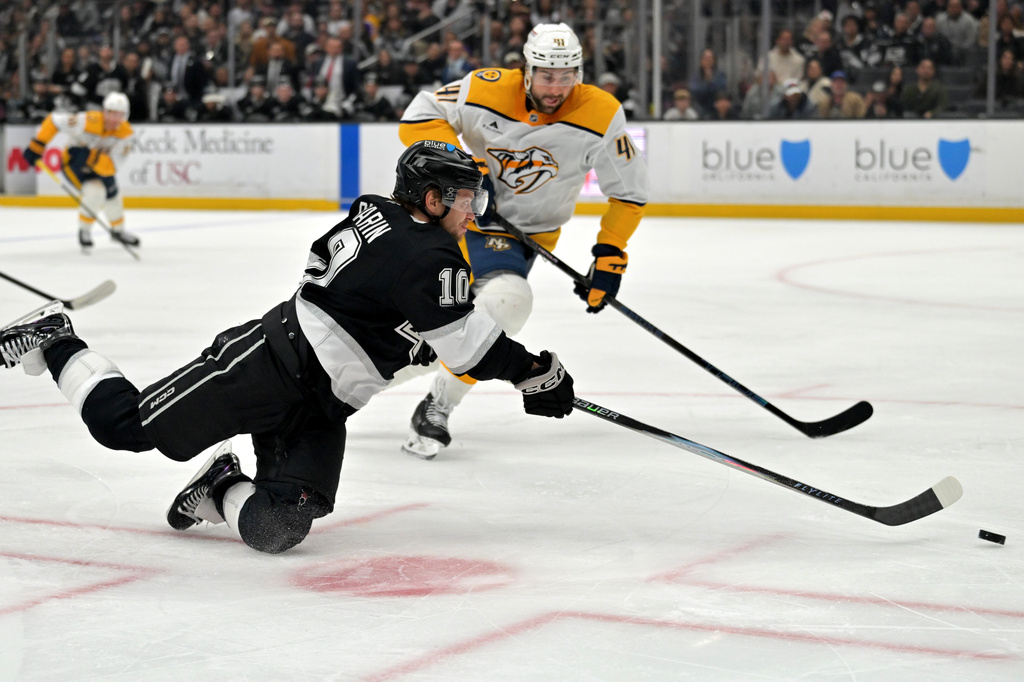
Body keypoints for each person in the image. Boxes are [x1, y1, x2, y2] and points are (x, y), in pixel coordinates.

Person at [0, 141, 575, 556]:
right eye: (464, 198)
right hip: (269, 365)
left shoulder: (389, 218)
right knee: (122, 426)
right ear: (429, 198)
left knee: (279, 529)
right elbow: (469, 347)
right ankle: (56, 339)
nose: (473, 211)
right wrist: (535, 371)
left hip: (325, 402)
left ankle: (219, 485)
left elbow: (401, 313)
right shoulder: (424, 254)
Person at [397, 22, 647, 459]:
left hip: (522, 238)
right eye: (547, 75)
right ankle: (332, 382)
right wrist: (464, 171)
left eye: (566, 75)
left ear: (580, 73)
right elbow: (418, 116)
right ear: (527, 70)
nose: (556, 87)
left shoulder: (602, 113)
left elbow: (628, 192)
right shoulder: (484, 87)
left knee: (503, 305)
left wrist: (610, 254)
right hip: (457, 220)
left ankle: (439, 402)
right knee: (421, 322)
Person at [22, 92, 140, 251]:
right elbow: (54, 121)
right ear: (104, 111)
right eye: (112, 114)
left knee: (113, 194)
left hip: (100, 167)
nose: (115, 120)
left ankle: (118, 231)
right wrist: (38, 145)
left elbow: (112, 166)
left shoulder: (126, 135)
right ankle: (84, 231)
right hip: (73, 163)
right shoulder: (86, 121)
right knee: (95, 191)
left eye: (120, 115)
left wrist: (90, 157)